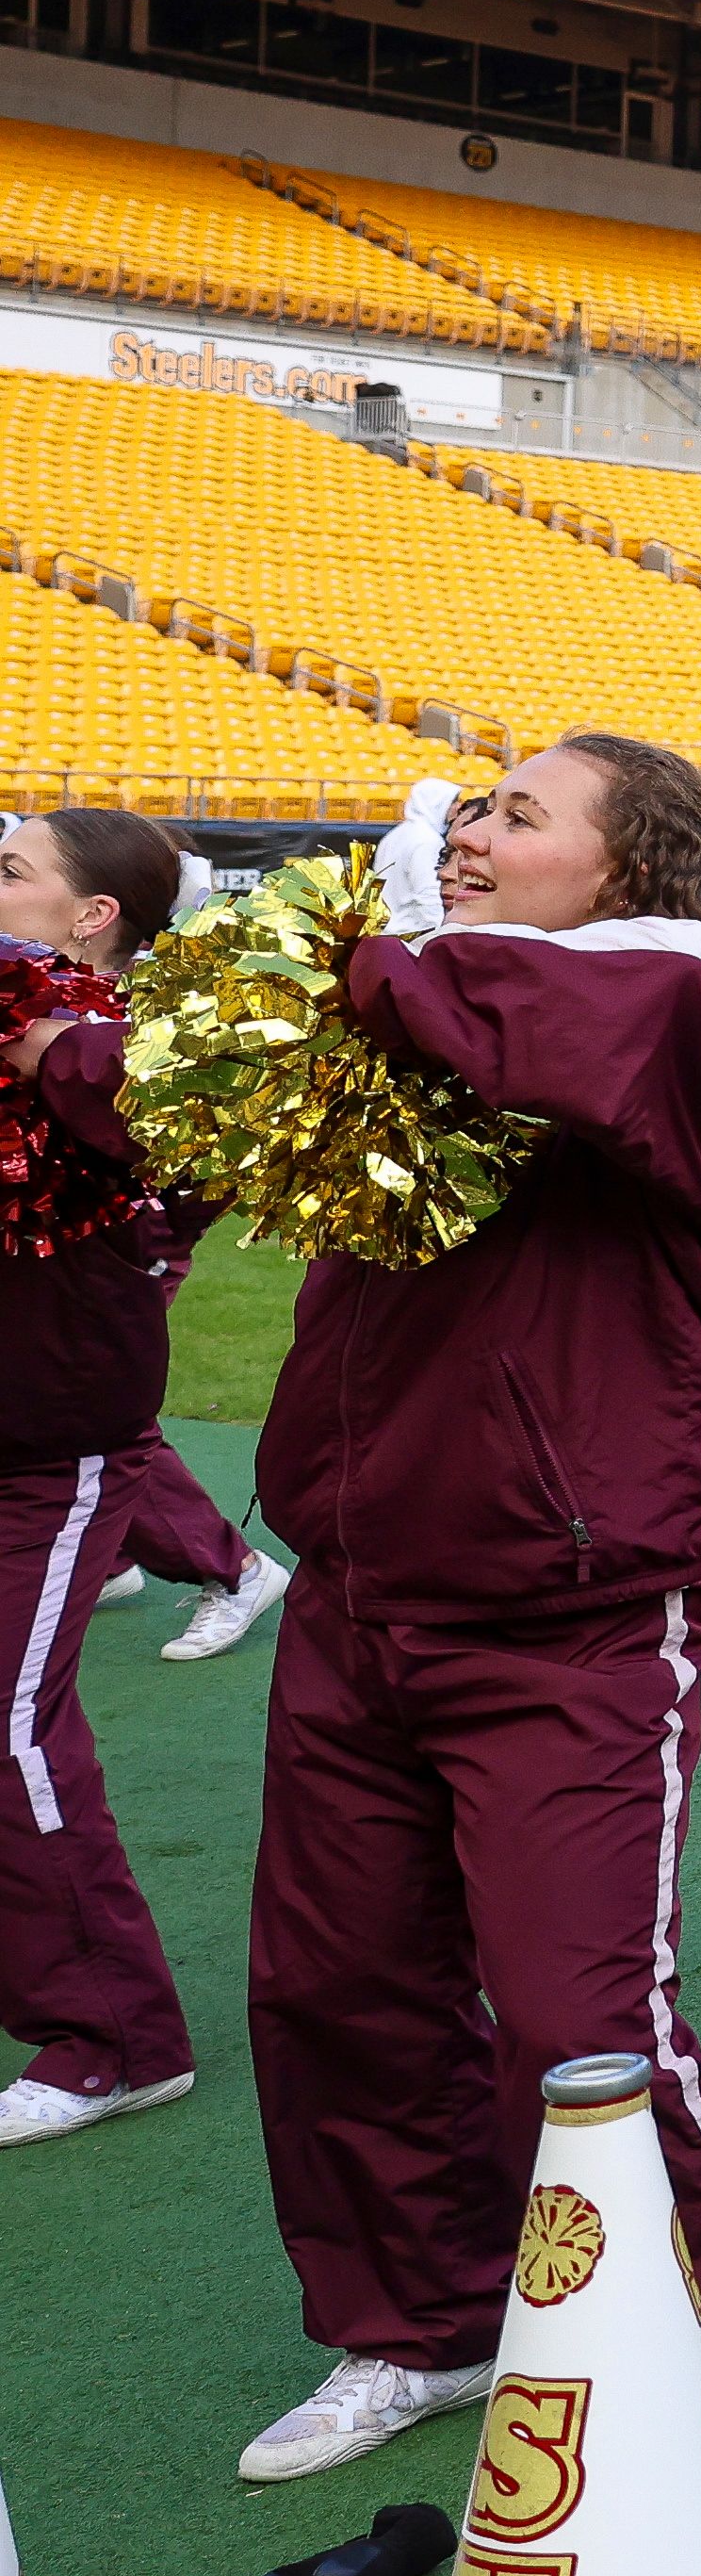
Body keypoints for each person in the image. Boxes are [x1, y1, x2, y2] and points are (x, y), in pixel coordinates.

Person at [22, 747, 701, 2495]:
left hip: (569, 1606)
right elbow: (181, 1092)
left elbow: (523, 1013)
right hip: (358, 1590)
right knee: (333, 1987)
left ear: (634, 867)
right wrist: (66, 1041)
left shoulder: (688, 1001)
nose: (471, 833)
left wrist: (359, 930)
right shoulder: (447, 996)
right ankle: (422, 2323)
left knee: (582, 2017)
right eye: (466, 811)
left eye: (517, 816)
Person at [0, 807, 224, 2143]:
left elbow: (167, 1172)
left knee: (11, 1730)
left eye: (13, 871)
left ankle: (116, 2037)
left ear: (93, 920)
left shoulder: (144, 1059)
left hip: (48, 1448)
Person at [8, 812, 288, 1672]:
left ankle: (232, 1567)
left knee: (107, 1433)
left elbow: (199, 1140)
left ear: (91, 915)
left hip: (92, 1305)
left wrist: (159, 1239)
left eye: (13, 872)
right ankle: (117, 1556)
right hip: (52, 1338)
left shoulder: (122, 1032)